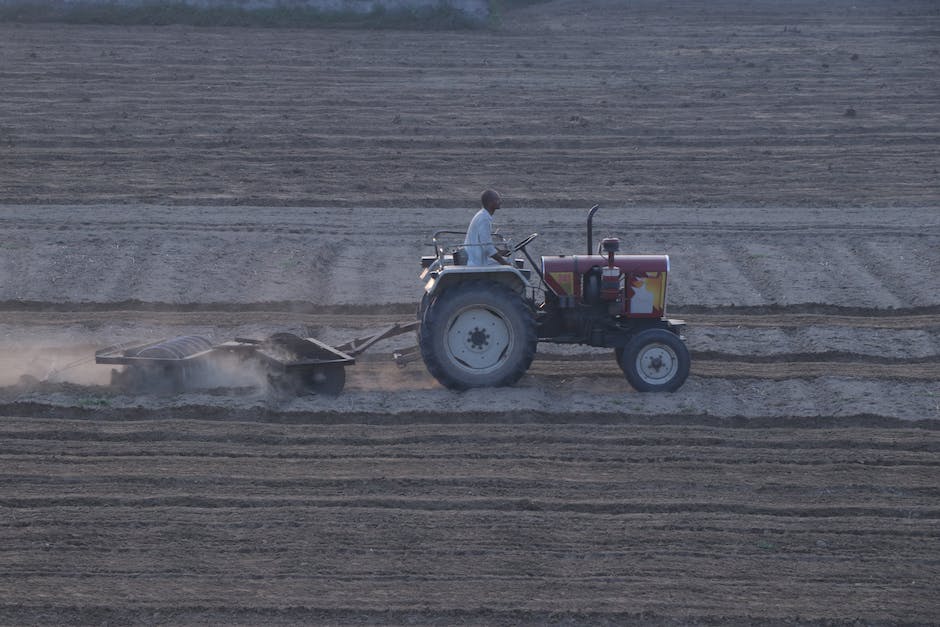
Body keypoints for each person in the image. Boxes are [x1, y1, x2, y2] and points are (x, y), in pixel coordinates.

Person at [463, 189, 511, 266]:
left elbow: (486, 242)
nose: (500, 201)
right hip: (476, 261)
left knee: (509, 260)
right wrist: (504, 263)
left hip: (477, 257)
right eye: (497, 199)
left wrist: (499, 251)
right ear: (490, 202)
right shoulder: (484, 219)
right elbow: (487, 246)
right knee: (510, 265)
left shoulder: (483, 215)